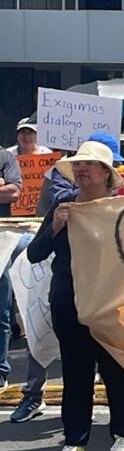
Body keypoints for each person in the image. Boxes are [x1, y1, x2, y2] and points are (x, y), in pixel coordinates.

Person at [27, 141, 124, 451]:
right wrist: (55, 227)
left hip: (110, 305)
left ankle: (123, 439)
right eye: (77, 164)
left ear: (105, 172)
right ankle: (74, 442)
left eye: (89, 164)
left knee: (117, 374)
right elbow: (34, 254)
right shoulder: (62, 205)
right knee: (76, 375)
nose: (81, 169)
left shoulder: (120, 209)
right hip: (67, 303)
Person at [0, 146, 22, 389]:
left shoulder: (5, 157)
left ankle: (0, 369)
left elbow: (14, 192)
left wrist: (6, 188)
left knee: (1, 310)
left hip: (1, 240)